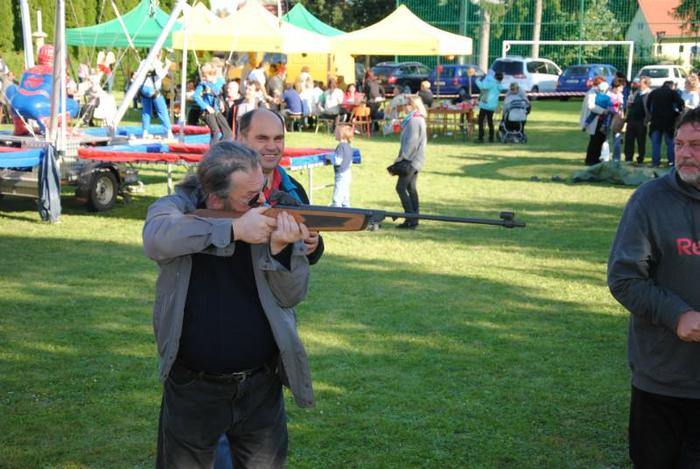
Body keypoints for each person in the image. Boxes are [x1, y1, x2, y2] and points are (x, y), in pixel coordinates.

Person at [143, 141, 313, 468]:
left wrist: (280, 250)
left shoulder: (271, 213)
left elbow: (291, 296)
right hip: (193, 386)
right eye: (250, 197)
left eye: (262, 190)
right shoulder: (177, 207)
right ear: (215, 198)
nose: (262, 202)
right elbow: (156, 238)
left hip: (261, 386)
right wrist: (235, 229)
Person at [608, 107, 700, 469]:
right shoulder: (649, 201)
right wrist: (677, 315)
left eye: (696, 145)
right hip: (663, 379)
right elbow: (624, 278)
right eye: (679, 144)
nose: (685, 154)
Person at [237, 109, 324, 264]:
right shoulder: (223, 188)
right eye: (262, 138)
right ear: (241, 139)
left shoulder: (294, 189)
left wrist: (313, 244)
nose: (272, 146)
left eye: (278, 139)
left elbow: (309, 258)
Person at [393, 96, 427, 229]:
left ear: (413, 106)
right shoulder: (416, 119)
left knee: (400, 188)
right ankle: (414, 219)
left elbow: (412, 142)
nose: (404, 107)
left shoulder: (414, 121)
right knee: (411, 188)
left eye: (406, 104)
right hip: (416, 159)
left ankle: (410, 217)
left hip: (411, 160)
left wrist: (402, 157)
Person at [647, 80, 685, 167]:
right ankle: (671, 161)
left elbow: (648, 105)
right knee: (670, 143)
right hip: (668, 121)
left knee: (656, 143)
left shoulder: (654, 92)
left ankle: (655, 162)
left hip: (655, 121)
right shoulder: (672, 92)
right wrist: (677, 112)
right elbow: (681, 103)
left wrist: (652, 114)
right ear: (671, 86)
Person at [193, 63, 232, 145]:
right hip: (208, 112)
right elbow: (196, 96)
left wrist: (222, 102)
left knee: (228, 132)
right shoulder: (203, 84)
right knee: (215, 131)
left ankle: (222, 146)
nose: (204, 78)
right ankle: (213, 149)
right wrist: (206, 106)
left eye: (205, 76)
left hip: (217, 110)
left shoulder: (220, 82)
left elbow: (221, 94)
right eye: (203, 76)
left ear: (212, 75)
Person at [139, 53, 173, 139]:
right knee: (162, 110)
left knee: (146, 111)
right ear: (159, 55)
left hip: (143, 89)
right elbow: (161, 75)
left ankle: (145, 132)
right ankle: (169, 132)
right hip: (153, 90)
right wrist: (167, 65)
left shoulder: (143, 62)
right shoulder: (156, 63)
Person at [580, 76, 610, 165]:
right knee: (594, 141)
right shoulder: (592, 93)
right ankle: (590, 160)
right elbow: (591, 106)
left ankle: (596, 159)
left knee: (600, 140)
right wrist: (603, 110)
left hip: (600, 120)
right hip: (594, 121)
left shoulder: (599, 92)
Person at [624, 77, 651, 164]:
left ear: (646, 84)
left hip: (641, 121)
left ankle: (640, 159)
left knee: (641, 141)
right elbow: (629, 104)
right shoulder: (636, 93)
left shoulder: (649, 94)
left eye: (641, 83)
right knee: (629, 140)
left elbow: (649, 109)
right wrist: (629, 106)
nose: (639, 84)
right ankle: (628, 158)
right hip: (631, 120)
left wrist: (647, 120)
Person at [474, 71, 503, 143]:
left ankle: (480, 137)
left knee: (480, 121)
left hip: (485, 105)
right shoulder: (499, 85)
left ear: (495, 77)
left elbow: (482, 86)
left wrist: (477, 80)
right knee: (490, 121)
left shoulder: (492, 83)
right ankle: (491, 137)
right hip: (492, 106)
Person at [331, 124, 354, 207]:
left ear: (341, 135)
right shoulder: (349, 147)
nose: (334, 133)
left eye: (336, 132)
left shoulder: (340, 146)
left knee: (337, 198)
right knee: (345, 196)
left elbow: (337, 161)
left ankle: (336, 210)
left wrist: (329, 157)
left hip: (341, 174)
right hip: (348, 173)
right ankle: (347, 210)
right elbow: (350, 161)